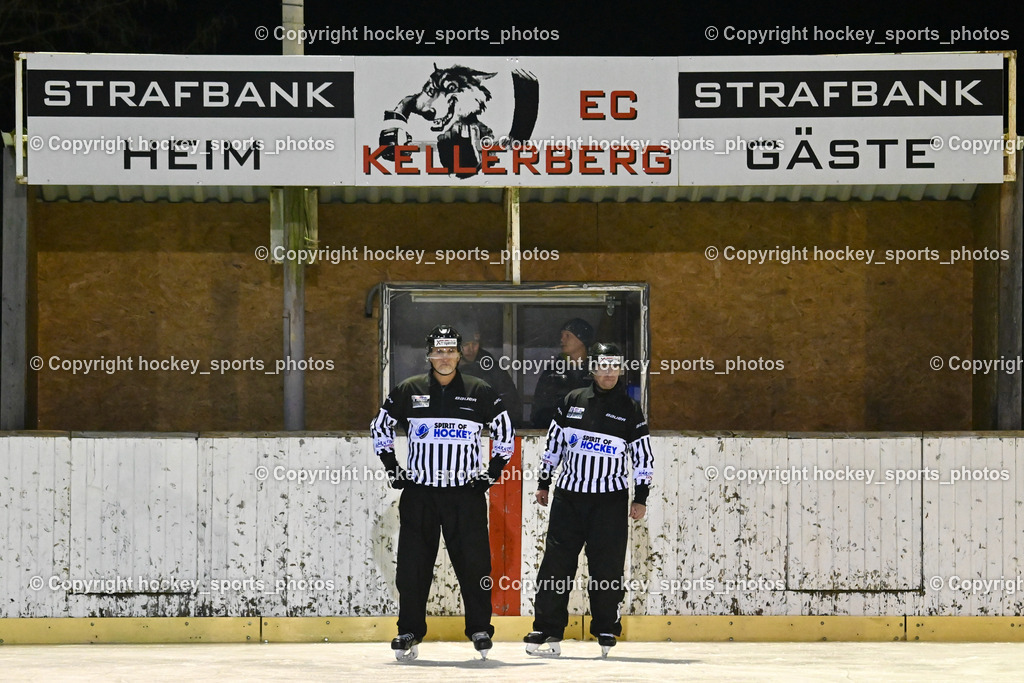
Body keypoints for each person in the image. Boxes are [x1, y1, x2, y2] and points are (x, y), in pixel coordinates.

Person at [370, 324, 515, 661]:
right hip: (420, 494)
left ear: (460, 354)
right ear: (429, 355)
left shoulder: (479, 390)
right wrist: (392, 467)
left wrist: (490, 475)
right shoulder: (409, 389)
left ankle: (480, 629)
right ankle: (409, 630)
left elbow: (505, 432)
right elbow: (380, 427)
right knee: (413, 567)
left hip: (465, 495)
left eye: (451, 351)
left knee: (475, 566)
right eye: (439, 351)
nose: (445, 357)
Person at [523, 342, 654, 658]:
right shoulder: (572, 400)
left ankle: (606, 627)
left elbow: (643, 457)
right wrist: (543, 482)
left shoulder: (630, 408)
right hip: (568, 500)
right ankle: (547, 627)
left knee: (607, 568)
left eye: (615, 365)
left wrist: (641, 497)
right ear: (592, 368)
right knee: (556, 566)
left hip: (609, 502)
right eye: (603, 365)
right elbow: (553, 445)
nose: (609, 372)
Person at [529, 317, 595, 428]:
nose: (562, 340)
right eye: (562, 336)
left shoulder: (596, 371)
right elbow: (539, 411)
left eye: (567, 336)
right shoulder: (552, 372)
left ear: (582, 339)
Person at [458, 323, 524, 427]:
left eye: (474, 344)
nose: (471, 349)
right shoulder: (445, 369)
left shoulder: (492, 369)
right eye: (465, 344)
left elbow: (512, 408)